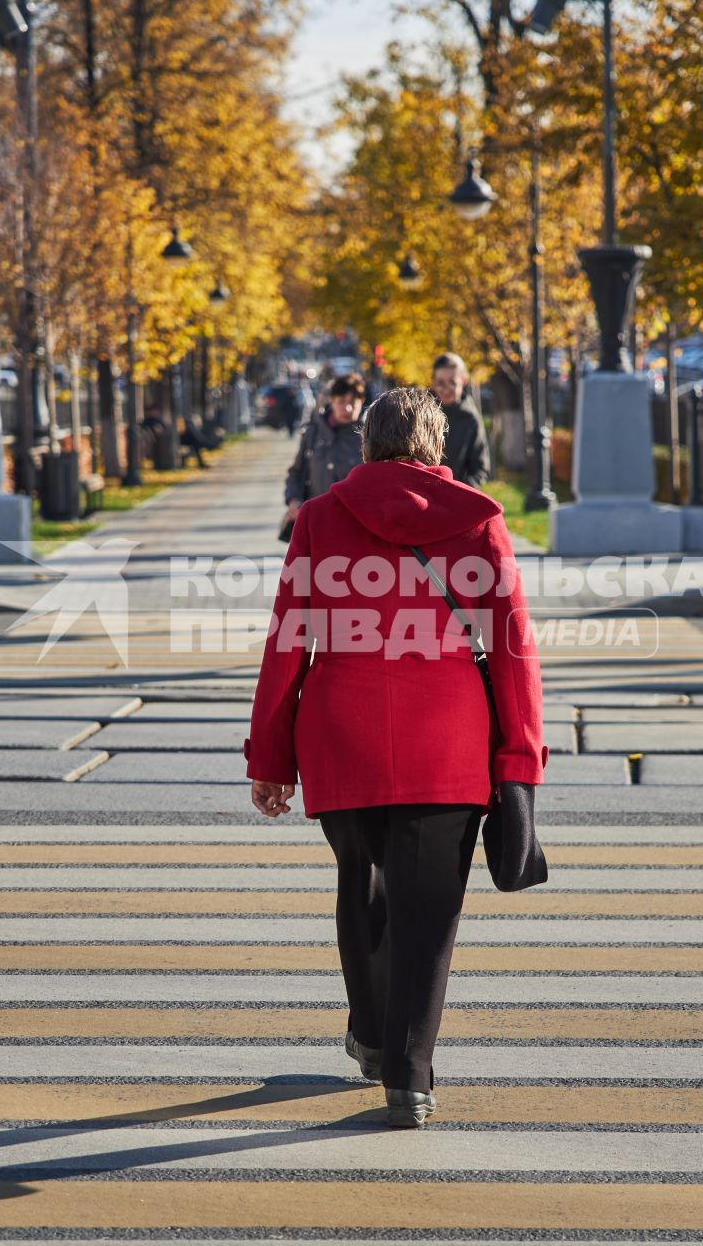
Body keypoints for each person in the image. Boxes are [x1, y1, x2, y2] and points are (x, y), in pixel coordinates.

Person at [245, 385, 545, 1129]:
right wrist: (520, 758)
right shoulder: (478, 521)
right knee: (429, 912)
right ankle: (408, 1076)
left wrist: (270, 757)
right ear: (437, 445)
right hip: (445, 736)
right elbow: (513, 650)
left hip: (338, 729)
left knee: (363, 884)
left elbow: (288, 641)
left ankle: (373, 1038)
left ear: (367, 445)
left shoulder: (317, 518)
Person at [284, 373, 367, 526]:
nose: (347, 408)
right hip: (317, 522)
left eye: (353, 402)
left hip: (356, 525)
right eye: (341, 401)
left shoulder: (369, 437)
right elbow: (296, 472)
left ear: (361, 402)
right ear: (332, 401)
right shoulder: (313, 432)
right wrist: (293, 499)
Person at [430, 352, 491, 488]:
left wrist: (458, 491)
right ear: (433, 382)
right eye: (440, 382)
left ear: (463, 381)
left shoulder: (470, 418)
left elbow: (480, 468)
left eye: (452, 382)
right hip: (423, 494)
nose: (446, 389)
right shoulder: (422, 414)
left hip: (455, 497)